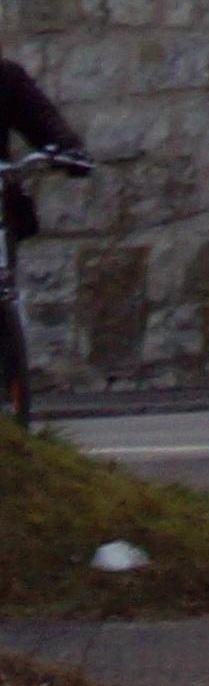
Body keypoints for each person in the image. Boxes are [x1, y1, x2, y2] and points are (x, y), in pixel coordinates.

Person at [0, 57, 88, 424]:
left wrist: (68, 150)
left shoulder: (5, 78)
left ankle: (10, 393)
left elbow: (42, 119)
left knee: (4, 286)